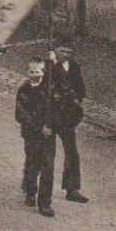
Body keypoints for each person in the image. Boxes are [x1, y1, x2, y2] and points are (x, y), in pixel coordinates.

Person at [15, 56, 57, 216]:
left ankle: (45, 202)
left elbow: (55, 109)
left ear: (43, 72)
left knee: (48, 168)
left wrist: (50, 126)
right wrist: (40, 128)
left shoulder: (48, 88)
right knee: (32, 165)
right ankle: (30, 191)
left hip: (48, 136)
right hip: (32, 135)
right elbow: (20, 115)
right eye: (31, 71)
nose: (34, 74)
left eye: (38, 71)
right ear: (27, 72)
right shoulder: (24, 90)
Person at [49, 44, 88, 204]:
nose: (66, 54)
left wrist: (78, 98)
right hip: (50, 115)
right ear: (55, 50)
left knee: (72, 152)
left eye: (70, 52)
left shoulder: (74, 67)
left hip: (66, 117)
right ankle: (30, 186)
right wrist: (54, 64)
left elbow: (81, 88)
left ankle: (72, 189)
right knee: (44, 153)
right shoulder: (47, 66)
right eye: (63, 51)